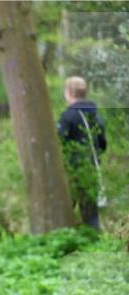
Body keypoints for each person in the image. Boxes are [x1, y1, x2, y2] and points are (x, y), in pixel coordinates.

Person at [57, 76, 107, 229]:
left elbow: (60, 141)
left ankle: (62, 239)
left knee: (63, 209)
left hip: (72, 170)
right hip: (92, 168)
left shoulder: (67, 116)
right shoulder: (96, 114)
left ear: (69, 93)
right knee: (90, 212)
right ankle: (94, 241)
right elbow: (102, 143)